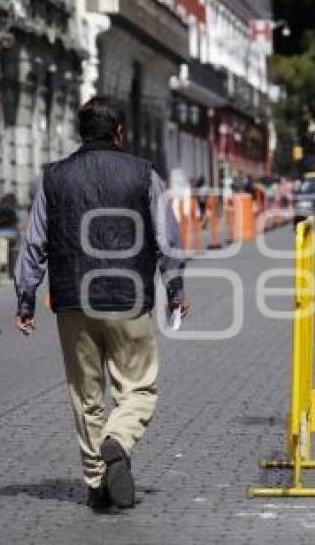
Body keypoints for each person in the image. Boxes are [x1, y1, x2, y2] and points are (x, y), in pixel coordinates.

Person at [13, 97, 189, 509]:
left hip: (74, 300)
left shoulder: (54, 178)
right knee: (139, 387)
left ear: (81, 133)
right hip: (128, 300)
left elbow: (34, 241)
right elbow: (167, 237)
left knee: (86, 395)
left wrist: (25, 298)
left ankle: (96, 485)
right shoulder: (143, 174)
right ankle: (118, 441)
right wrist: (175, 289)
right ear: (119, 133)